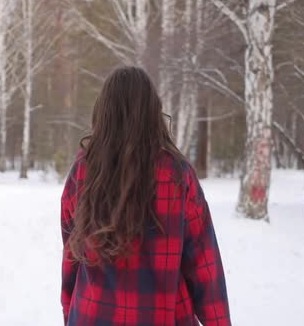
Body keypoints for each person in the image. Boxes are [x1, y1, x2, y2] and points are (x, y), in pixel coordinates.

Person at [60, 66, 231, 326]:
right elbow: (204, 263)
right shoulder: (176, 173)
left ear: (104, 112)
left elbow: (72, 253)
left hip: (92, 316)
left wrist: (70, 312)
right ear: (152, 112)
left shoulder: (84, 169)